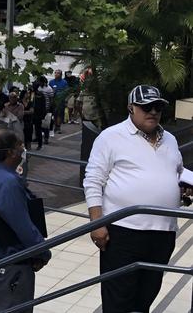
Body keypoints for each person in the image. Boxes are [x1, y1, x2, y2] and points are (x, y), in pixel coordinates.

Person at [84, 85, 183, 313]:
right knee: (118, 297)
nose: (153, 111)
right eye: (146, 106)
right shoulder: (111, 137)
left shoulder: (169, 139)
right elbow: (93, 181)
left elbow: (175, 173)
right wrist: (97, 224)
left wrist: (182, 187)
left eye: (157, 106)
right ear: (131, 108)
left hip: (163, 232)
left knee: (146, 295)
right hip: (123, 232)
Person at [0, 129, 51, 312]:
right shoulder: (8, 183)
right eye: (20, 145)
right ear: (10, 152)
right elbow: (23, 227)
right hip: (12, 266)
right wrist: (43, 252)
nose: (23, 148)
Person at [49, 69, 68, 134]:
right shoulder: (51, 82)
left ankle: (58, 127)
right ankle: (54, 126)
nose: (56, 74)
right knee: (54, 114)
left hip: (61, 100)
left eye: (58, 73)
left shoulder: (64, 82)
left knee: (59, 114)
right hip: (53, 100)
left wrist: (66, 100)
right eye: (55, 73)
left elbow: (66, 92)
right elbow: (49, 91)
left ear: (61, 75)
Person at [36, 76, 54, 144]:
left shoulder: (49, 89)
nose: (39, 83)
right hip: (39, 108)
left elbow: (51, 99)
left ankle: (46, 138)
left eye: (40, 82)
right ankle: (38, 136)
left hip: (46, 108)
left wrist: (49, 108)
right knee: (38, 124)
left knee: (46, 124)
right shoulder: (38, 87)